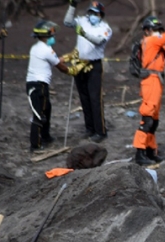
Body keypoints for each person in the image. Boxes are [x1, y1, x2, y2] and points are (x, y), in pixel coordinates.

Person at [26, 21, 86, 152]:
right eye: (51, 36)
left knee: (47, 109)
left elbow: (55, 60)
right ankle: (35, 145)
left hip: (39, 85)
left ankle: (46, 136)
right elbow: (60, 66)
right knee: (39, 114)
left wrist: (69, 56)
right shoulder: (46, 50)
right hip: (37, 85)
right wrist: (72, 70)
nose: (53, 38)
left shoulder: (37, 48)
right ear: (45, 36)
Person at [132, 16, 165, 166]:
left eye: (160, 30)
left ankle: (150, 150)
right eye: (155, 30)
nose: (158, 33)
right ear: (147, 31)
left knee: (154, 120)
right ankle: (139, 152)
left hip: (157, 79)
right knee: (147, 117)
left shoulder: (157, 45)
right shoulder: (151, 41)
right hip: (151, 79)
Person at [63, 0, 112, 143]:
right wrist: (72, 6)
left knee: (95, 98)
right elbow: (67, 22)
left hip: (94, 65)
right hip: (80, 64)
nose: (92, 15)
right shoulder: (82, 21)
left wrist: (83, 33)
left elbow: (98, 41)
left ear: (101, 15)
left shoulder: (105, 28)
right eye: (91, 12)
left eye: (96, 13)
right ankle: (89, 128)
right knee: (84, 97)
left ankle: (100, 131)